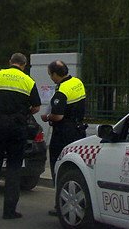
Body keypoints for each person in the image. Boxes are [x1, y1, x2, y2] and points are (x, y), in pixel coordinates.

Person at [0, 53, 41, 219]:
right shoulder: (28, 81)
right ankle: (9, 211)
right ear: (24, 65)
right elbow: (36, 107)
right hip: (18, 127)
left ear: (10, 62)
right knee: (14, 168)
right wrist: (23, 111)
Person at [41, 60, 87, 216]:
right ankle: (75, 200)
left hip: (63, 134)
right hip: (79, 131)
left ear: (55, 74)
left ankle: (60, 204)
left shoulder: (62, 91)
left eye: (50, 75)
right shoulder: (77, 82)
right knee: (75, 168)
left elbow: (58, 116)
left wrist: (47, 117)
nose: (51, 78)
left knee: (59, 166)